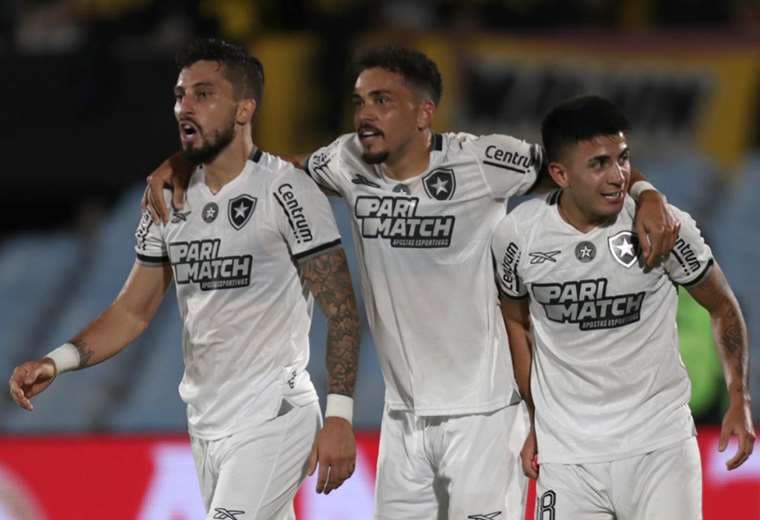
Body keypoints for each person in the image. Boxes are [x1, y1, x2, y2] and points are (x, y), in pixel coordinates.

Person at [144, 47, 678, 519]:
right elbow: (263, 169)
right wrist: (184, 163)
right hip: (403, 424)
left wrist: (647, 191)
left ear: (425, 113)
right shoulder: (344, 161)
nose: (365, 115)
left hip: (485, 415)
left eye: (382, 101)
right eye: (359, 102)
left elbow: (585, 165)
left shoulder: (483, 160)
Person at [8, 39, 362, 519]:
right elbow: (132, 312)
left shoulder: (286, 190)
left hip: (275, 416)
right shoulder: (166, 200)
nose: (184, 106)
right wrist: (57, 362)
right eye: (179, 95)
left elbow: (341, 307)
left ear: (243, 109)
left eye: (203, 93)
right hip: (206, 422)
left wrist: (339, 416)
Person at [493, 95, 755, 520]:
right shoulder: (517, 236)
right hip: (567, 458)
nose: (618, 176)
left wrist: (738, 398)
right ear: (560, 174)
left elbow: (723, 305)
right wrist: (534, 419)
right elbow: (515, 321)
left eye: (623, 159)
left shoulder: (662, 226)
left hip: (660, 449)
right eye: (599, 164)